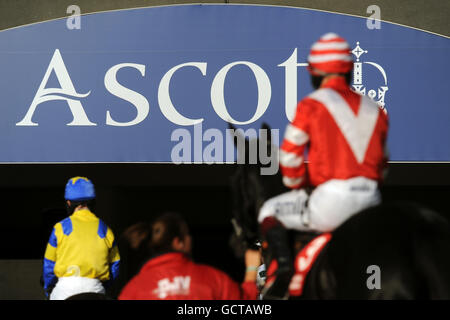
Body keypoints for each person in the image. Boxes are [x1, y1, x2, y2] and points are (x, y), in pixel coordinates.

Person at [258, 33, 389, 298]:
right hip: (372, 203)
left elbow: (290, 158)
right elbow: (383, 166)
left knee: (268, 209)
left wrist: (298, 185)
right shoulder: (375, 108)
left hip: (331, 202)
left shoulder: (311, 104)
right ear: (349, 70)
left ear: (314, 72)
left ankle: (283, 272)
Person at [118, 212, 261, 300]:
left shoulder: (133, 290)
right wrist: (252, 269)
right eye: (187, 235)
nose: (190, 239)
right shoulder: (214, 279)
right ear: (178, 242)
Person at [42, 176, 120, 300]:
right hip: (95, 288)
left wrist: (48, 289)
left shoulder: (60, 228)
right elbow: (115, 265)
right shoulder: (105, 229)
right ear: (93, 203)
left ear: (68, 203)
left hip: (65, 289)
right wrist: (104, 286)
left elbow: (49, 265)